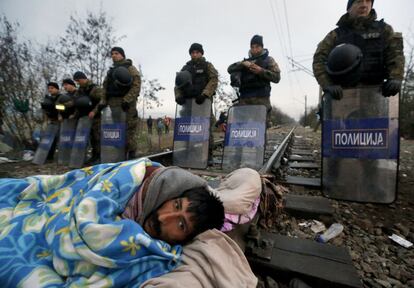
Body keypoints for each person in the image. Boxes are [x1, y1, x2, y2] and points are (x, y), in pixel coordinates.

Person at [0, 158, 224, 287]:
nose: (164, 218)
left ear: (187, 239)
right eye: (175, 206)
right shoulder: (136, 182)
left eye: (181, 225)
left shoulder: (163, 254)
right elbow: (88, 210)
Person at [312, 0, 404, 100]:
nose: (364, 5)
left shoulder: (384, 30)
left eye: (368, 1)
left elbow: (395, 55)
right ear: (349, 7)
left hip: (376, 96)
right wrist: (328, 85)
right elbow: (319, 60)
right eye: (359, 1)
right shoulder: (335, 35)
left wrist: (396, 77)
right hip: (343, 97)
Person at [174, 43, 218, 158]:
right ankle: (189, 153)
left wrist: (205, 94)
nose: (195, 54)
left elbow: (213, 80)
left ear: (201, 53)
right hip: (188, 103)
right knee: (188, 129)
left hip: (203, 102)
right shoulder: (185, 68)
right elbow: (178, 83)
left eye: (197, 52)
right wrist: (178, 96)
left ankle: (208, 155)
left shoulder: (207, 66)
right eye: (192, 52)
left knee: (205, 128)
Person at [227, 35, 281, 126]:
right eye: (252, 47)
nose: (255, 49)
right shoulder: (245, 62)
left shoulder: (268, 60)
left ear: (262, 47)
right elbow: (230, 69)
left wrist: (261, 71)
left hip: (261, 100)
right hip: (245, 100)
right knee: (242, 127)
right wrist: (242, 64)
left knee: (261, 128)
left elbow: (277, 77)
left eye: (257, 47)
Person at [103, 47, 141, 160]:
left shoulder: (130, 68)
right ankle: (120, 155)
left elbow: (136, 85)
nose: (114, 55)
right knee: (117, 131)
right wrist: (103, 101)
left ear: (122, 55)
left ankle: (132, 155)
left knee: (129, 131)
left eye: (117, 53)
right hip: (113, 105)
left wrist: (127, 100)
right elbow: (105, 87)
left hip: (127, 106)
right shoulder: (110, 71)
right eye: (112, 54)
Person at [73, 71, 105, 164]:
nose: (77, 83)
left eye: (78, 80)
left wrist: (94, 111)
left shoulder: (94, 89)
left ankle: (99, 156)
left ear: (83, 78)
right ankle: (93, 156)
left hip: (96, 117)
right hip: (85, 117)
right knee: (91, 137)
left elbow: (103, 100)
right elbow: (76, 102)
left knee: (97, 137)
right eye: (76, 81)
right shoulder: (80, 91)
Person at [40, 82, 62, 159]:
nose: (50, 90)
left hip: (61, 121)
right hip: (51, 121)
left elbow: (64, 108)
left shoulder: (61, 97)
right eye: (49, 88)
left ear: (57, 89)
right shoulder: (48, 98)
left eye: (52, 88)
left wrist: (55, 107)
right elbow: (45, 110)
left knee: (62, 139)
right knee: (50, 140)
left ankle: (62, 157)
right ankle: (49, 156)